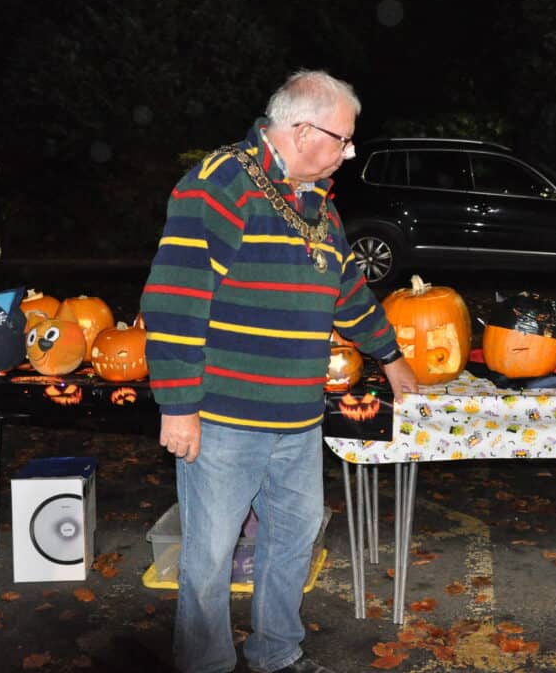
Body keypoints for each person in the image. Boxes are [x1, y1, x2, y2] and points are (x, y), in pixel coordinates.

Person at [140, 70, 418, 673]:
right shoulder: (221, 185)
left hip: (296, 419)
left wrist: (392, 358)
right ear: (302, 129)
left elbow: (347, 291)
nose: (348, 154)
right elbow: (174, 298)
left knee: (291, 545)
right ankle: (206, 664)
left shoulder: (318, 207)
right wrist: (179, 406)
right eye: (342, 140)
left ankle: (275, 655)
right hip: (222, 422)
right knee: (209, 559)